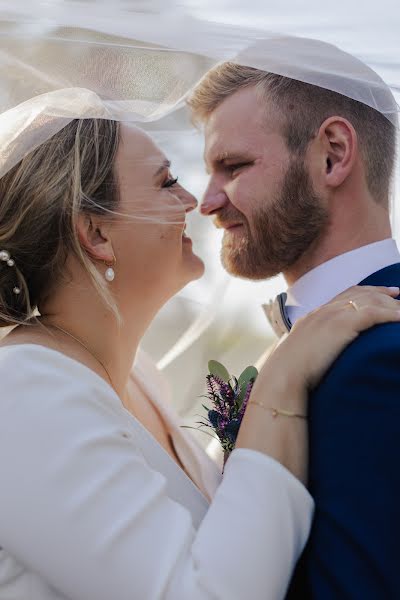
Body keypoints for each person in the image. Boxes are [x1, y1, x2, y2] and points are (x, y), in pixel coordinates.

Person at [1, 117, 399, 599]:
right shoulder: (21, 390)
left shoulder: (139, 380)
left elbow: (226, 532)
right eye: (166, 182)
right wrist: (283, 376)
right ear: (97, 234)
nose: (194, 202)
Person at [188, 52, 400, 598]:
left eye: (233, 167)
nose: (208, 202)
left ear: (332, 155)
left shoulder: (382, 357)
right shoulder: (311, 345)